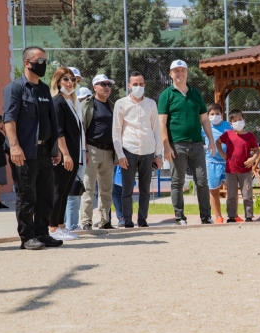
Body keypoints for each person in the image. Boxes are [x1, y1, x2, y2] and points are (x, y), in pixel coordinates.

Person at [3, 46, 62, 250]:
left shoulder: (44, 89)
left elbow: (49, 121)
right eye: (39, 61)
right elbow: (9, 119)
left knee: (46, 196)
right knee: (27, 196)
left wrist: (56, 149)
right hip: (25, 152)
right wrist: (14, 147)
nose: (43, 65)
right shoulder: (16, 88)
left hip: (45, 151)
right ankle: (27, 237)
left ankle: (42, 233)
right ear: (27, 63)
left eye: (45, 61)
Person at [158, 60, 214, 225]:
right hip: (177, 145)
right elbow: (162, 122)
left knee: (202, 181)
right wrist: (166, 146)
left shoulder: (196, 94)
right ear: (170, 74)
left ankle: (206, 216)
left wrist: (211, 140)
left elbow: (204, 119)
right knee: (178, 181)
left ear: (187, 73)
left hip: (197, 144)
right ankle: (180, 217)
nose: (180, 74)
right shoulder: (166, 95)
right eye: (176, 71)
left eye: (182, 70)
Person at [113, 71, 163, 228]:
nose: (138, 87)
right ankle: (127, 221)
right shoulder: (121, 103)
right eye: (135, 84)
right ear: (129, 86)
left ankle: (143, 220)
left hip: (148, 151)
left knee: (145, 190)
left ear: (145, 85)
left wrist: (158, 154)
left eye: (141, 84)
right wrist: (120, 154)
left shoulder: (151, 104)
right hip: (128, 150)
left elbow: (156, 130)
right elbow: (116, 130)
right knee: (127, 189)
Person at [48, 67, 84, 241]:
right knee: (58, 190)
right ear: (58, 81)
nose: (70, 82)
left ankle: (61, 225)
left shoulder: (71, 102)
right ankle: (53, 227)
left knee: (65, 190)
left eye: (72, 79)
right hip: (64, 155)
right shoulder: (57, 102)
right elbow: (59, 131)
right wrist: (66, 154)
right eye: (65, 79)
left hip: (74, 154)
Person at [80, 74, 116, 230]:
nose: (107, 87)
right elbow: (81, 129)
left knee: (106, 190)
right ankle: (86, 222)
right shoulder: (87, 104)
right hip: (92, 150)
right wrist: (85, 150)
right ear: (95, 87)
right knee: (88, 188)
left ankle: (105, 220)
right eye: (103, 84)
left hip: (108, 152)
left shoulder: (112, 105)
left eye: (108, 84)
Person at [216, 109, 259, 223]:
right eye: (235, 120)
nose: (238, 122)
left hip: (245, 171)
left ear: (244, 120)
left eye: (240, 119)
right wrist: (222, 154)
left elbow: (256, 151)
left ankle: (249, 216)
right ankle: (231, 216)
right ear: (231, 123)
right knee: (231, 195)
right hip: (230, 170)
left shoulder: (250, 136)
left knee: (247, 194)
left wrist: (253, 158)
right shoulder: (228, 135)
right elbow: (217, 142)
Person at [64, 85, 93, 231]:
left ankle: (70, 224)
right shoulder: (62, 102)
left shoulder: (77, 104)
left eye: (75, 80)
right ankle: (66, 225)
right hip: (68, 151)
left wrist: (85, 150)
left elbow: (82, 132)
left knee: (75, 189)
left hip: (80, 150)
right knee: (67, 190)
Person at [204, 103, 232, 224]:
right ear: (208, 115)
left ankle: (233, 215)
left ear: (222, 114)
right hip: (211, 162)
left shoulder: (228, 126)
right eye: (212, 114)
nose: (215, 116)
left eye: (217, 114)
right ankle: (218, 217)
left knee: (231, 190)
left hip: (227, 162)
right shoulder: (204, 127)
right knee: (214, 190)